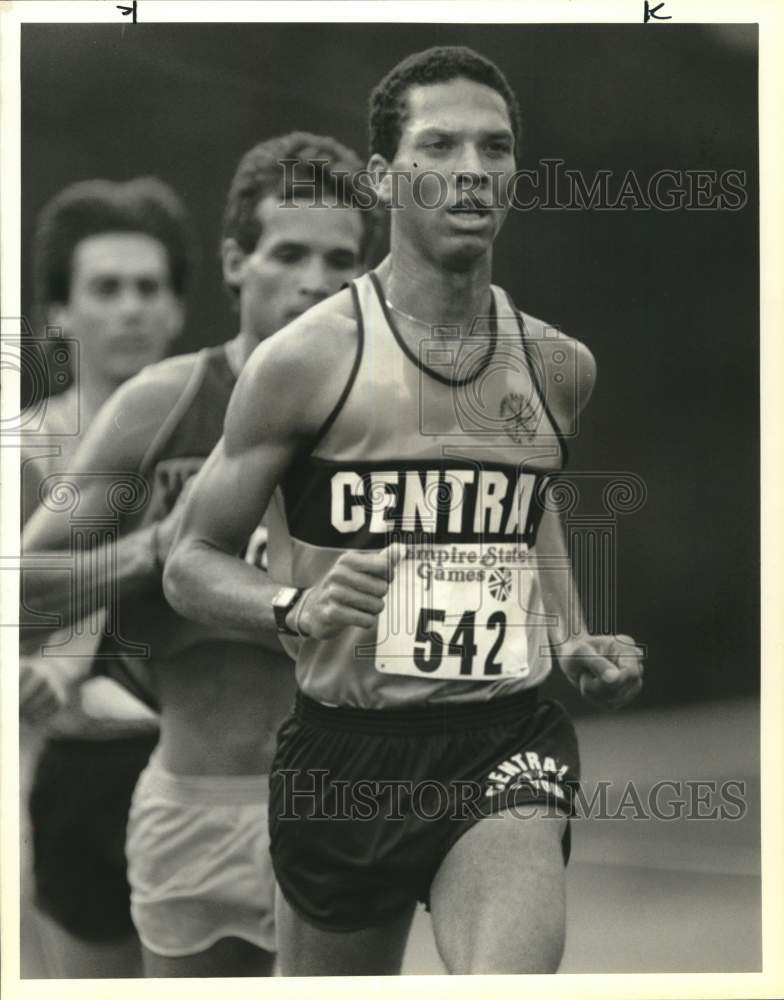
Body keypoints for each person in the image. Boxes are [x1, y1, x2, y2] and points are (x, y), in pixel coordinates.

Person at [164, 46, 644, 975]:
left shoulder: (557, 368)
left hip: (505, 742)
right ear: (385, 177)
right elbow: (192, 560)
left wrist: (573, 634)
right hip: (344, 758)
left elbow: (522, 501)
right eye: (441, 146)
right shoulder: (306, 361)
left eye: (494, 149)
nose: (472, 171)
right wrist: (293, 608)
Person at [23, 133, 377, 977]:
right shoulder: (164, 404)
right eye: (289, 253)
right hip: (195, 806)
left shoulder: (395, 418)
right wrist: (154, 549)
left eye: (342, 261)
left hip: (348, 799)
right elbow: (21, 593)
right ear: (233, 263)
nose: (316, 283)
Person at [19, 177, 190, 978]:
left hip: (210, 777)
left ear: (179, 310)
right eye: (106, 287)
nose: (131, 307)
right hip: (75, 778)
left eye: (149, 287)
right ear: (59, 313)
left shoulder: (231, 440)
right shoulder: (19, 454)